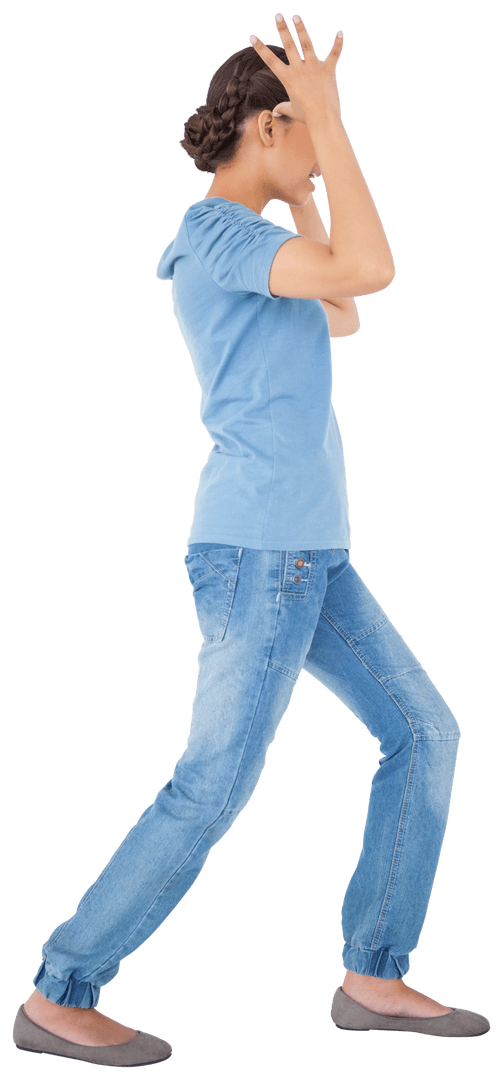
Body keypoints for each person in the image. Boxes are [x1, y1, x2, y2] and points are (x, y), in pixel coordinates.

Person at [12, 12, 490, 1064]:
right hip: (258, 554)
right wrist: (326, 124)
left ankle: (372, 971)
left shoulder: (262, 241)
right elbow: (370, 269)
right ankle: (62, 986)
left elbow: (344, 314)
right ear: (272, 124)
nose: (327, 139)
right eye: (315, 126)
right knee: (213, 780)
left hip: (309, 554)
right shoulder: (219, 237)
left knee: (426, 734)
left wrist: (306, 174)